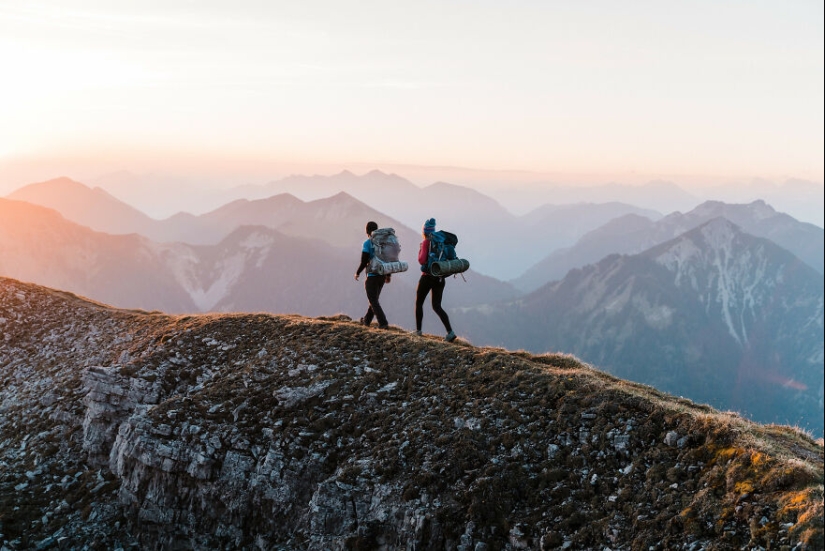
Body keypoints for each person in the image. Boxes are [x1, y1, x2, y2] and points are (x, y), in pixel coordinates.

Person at [415, 218, 457, 342]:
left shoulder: (426, 242)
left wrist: (420, 251)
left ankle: (418, 331)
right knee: (437, 306)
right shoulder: (440, 241)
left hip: (427, 277)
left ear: (424, 231)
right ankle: (450, 332)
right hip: (440, 276)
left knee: (419, 303)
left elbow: (422, 260)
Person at [354, 221, 389, 329]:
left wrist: (358, 272)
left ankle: (383, 323)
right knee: (374, 300)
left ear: (367, 231)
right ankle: (366, 321)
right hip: (382, 275)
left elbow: (364, 261)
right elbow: (387, 259)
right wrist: (388, 275)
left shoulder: (367, 243)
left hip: (372, 276)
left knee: (373, 301)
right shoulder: (383, 243)